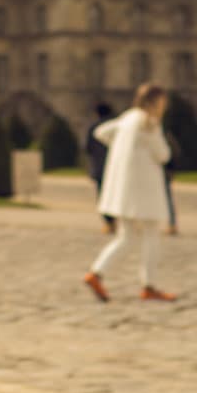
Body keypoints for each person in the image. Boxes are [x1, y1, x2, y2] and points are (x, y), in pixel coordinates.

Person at [83, 83, 177, 303]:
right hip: (144, 190)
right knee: (151, 235)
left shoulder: (128, 118)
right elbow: (163, 154)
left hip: (124, 189)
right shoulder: (149, 123)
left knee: (126, 237)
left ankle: (96, 272)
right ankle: (149, 285)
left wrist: (121, 148)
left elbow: (101, 132)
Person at [84, 102, 116, 235]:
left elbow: (88, 148)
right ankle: (115, 220)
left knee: (102, 196)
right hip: (115, 167)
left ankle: (108, 222)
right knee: (115, 194)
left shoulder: (94, 127)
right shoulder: (116, 125)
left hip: (100, 167)